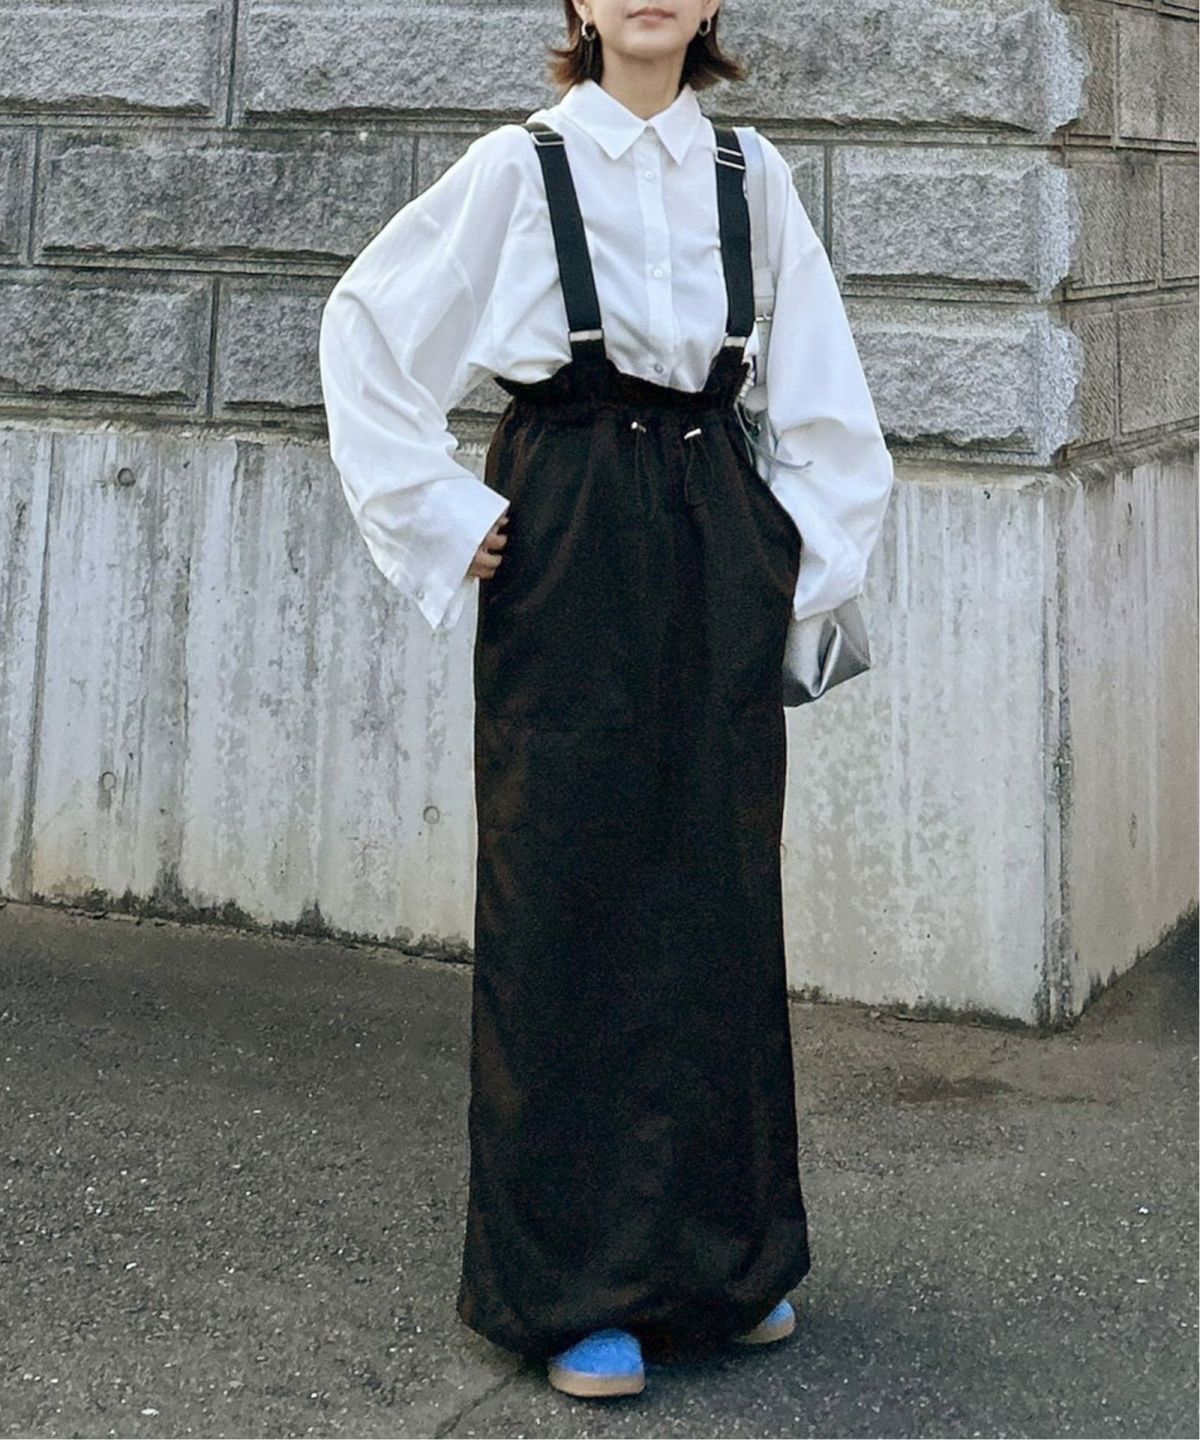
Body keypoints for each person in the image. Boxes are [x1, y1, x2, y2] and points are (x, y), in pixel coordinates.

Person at [318, 0, 894, 1402]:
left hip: (712, 520)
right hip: (568, 524)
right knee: (566, 889)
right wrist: (445, 512)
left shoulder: (753, 176)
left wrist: (791, 565)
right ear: (576, 3)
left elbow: (824, 398)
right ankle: (575, 1288)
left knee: (716, 888)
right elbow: (367, 330)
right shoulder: (519, 168)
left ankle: (725, 1263)